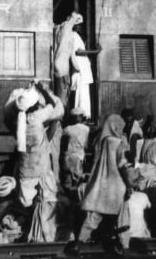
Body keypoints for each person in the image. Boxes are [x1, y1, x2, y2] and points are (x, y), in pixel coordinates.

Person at [71, 114, 133, 255]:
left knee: (94, 216)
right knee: (122, 216)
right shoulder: (119, 142)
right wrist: (128, 185)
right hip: (117, 185)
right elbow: (122, 165)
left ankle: (78, 243)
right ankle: (124, 246)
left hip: (101, 183)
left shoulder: (102, 141)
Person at [12, 83, 64, 242]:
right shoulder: (37, 117)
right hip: (41, 169)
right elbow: (57, 108)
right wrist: (45, 90)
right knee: (47, 200)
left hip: (25, 169)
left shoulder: (19, 120)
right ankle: (43, 234)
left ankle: (26, 231)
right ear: (35, 105)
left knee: (26, 203)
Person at [61, 107, 90, 193]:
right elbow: (86, 145)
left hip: (68, 156)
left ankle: (68, 199)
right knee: (78, 180)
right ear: (80, 117)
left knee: (67, 180)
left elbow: (63, 143)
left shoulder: (67, 129)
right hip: (78, 157)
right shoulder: (86, 129)